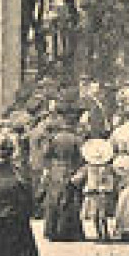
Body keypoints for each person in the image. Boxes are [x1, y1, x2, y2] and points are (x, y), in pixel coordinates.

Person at [40, 104, 86, 242]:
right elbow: (82, 158)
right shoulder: (77, 140)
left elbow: (46, 154)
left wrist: (48, 169)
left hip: (56, 170)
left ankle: (52, 231)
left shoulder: (54, 138)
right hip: (71, 169)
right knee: (70, 201)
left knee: (54, 201)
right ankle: (68, 232)